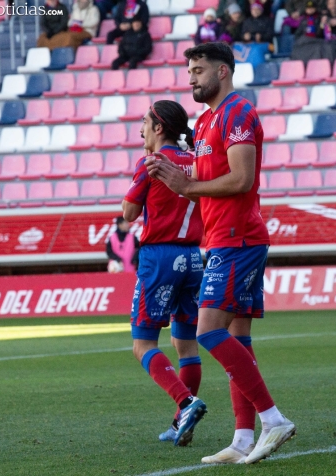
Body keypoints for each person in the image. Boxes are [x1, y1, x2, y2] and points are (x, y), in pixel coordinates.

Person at [146, 42, 296, 464]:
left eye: (198, 70)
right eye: (190, 70)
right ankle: (244, 438)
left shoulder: (237, 113)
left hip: (239, 238)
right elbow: (206, 173)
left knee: (208, 331)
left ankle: (274, 419)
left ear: (223, 72)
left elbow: (243, 178)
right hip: (223, 239)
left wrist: (188, 186)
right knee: (236, 337)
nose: (191, 78)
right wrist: (178, 174)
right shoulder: (208, 119)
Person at [122, 100, 208, 446]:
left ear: (159, 128)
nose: (141, 129)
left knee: (142, 344)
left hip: (159, 258)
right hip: (193, 258)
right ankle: (180, 425)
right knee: (186, 345)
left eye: (144, 122)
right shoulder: (196, 162)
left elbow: (129, 213)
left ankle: (186, 402)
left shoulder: (151, 163)